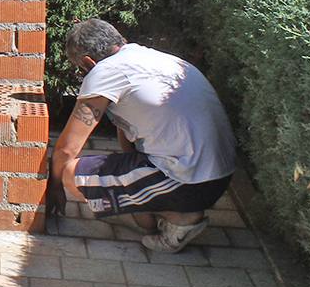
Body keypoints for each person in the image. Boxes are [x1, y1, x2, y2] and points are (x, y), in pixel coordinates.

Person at [47, 19, 235, 253]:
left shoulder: (105, 71)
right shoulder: (156, 59)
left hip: (188, 180)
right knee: (125, 190)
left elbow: (67, 148)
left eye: (81, 69)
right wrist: (131, 180)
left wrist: (53, 187)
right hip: (219, 176)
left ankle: (178, 220)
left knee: (71, 174)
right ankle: (159, 212)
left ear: (88, 62)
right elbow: (127, 128)